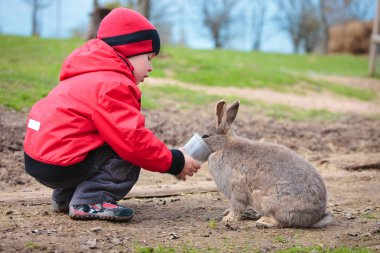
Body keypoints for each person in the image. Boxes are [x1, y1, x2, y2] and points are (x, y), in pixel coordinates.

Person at [23, 7, 201, 222]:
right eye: (149, 58)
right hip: (62, 164)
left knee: (98, 139)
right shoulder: (114, 84)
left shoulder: (85, 75)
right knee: (126, 149)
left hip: (39, 160)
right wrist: (175, 161)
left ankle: (66, 197)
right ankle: (90, 201)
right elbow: (133, 141)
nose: (151, 67)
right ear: (129, 51)